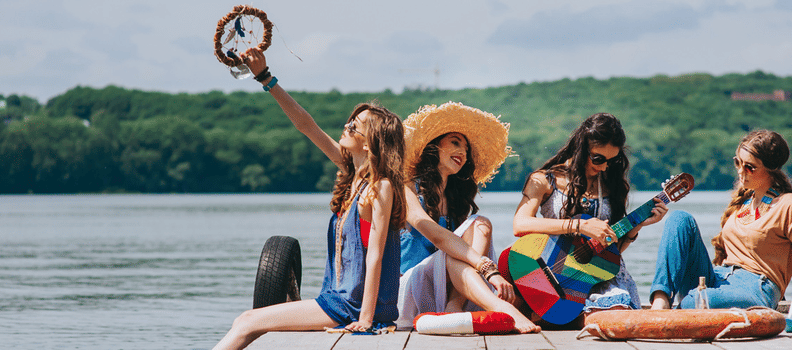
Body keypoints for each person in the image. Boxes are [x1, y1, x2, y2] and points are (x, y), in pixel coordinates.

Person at [213, 48, 408, 350]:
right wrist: (265, 78)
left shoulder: (380, 187)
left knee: (246, 321)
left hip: (351, 306)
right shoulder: (353, 175)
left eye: (354, 126)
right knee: (248, 324)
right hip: (337, 299)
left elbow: (376, 255)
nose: (346, 127)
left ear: (371, 144)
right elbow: (306, 125)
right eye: (349, 122)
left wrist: (367, 319)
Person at [649, 130, 792, 329]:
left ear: (770, 169)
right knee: (679, 218)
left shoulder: (789, 206)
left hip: (756, 288)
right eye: (738, 162)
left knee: (698, 300)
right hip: (718, 278)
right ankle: (660, 302)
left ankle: (678, 312)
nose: (740, 171)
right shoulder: (745, 200)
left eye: (750, 167)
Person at [511, 112, 667, 326]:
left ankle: (560, 318)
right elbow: (520, 225)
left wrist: (635, 227)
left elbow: (610, 253)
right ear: (581, 148)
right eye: (598, 158)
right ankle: (562, 314)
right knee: (611, 319)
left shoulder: (612, 186)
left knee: (616, 315)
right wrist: (579, 226)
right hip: (553, 273)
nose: (604, 167)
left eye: (612, 161)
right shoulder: (544, 180)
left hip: (599, 277)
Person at [396, 102, 540, 334]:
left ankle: (456, 304)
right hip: (408, 290)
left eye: (466, 149)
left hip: (445, 288)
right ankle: (501, 308)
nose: (462, 152)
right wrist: (487, 269)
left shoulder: (455, 200)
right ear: (434, 146)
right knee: (457, 248)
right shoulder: (408, 187)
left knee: (478, 224)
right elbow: (437, 237)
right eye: (455, 142)